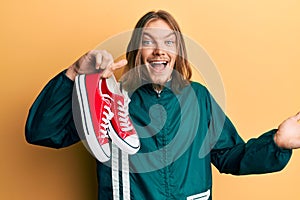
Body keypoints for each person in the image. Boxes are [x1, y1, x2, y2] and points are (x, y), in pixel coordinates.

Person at [25, 10, 300, 200]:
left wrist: (276, 144)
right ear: (137, 52)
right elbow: (44, 132)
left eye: (169, 42)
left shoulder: (199, 99)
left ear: (177, 52)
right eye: (148, 42)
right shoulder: (109, 98)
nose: (159, 50)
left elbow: (231, 156)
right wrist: (73, 72)